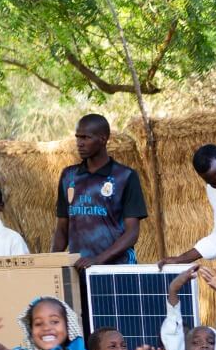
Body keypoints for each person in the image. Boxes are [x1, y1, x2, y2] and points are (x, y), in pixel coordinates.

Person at [52, 113, 147, 281]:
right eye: (77, 137)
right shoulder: (69, 176)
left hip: (117, 271)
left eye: (86, 138)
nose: (79, 143)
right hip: (78, 272)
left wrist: (98, 260)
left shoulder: (125, 176)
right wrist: (52, 264)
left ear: (103, 139)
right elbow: (62, 228)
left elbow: (132, 233)